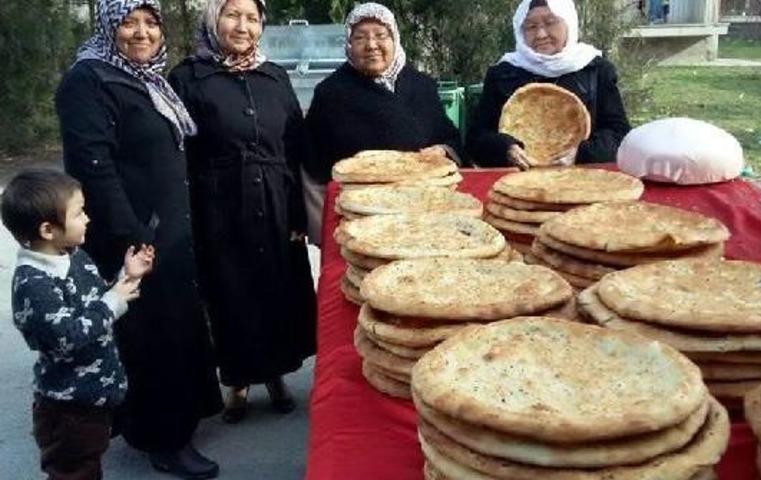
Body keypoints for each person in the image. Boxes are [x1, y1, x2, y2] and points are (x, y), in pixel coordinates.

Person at [54, 1, 223, 478]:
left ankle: (175, 419)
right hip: (134, 238)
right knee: (153, 336)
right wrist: (134, 235)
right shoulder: (89, 79)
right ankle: (163, 439)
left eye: (151, 22)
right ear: (108, 26)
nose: (142, 32)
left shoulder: (146, 78)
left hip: (166, 229)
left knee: (176, 328)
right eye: (129, 21)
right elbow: (94, 166)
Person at [168, 0, 316, 424]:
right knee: (230, 293)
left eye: (252, 18)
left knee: (275, 290)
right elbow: (179, 152)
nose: (242, 25)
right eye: (232, 14)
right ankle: (236, 382)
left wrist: (297, 215)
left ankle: (275, 375)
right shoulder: (188, 77)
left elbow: (293, 147)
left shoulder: (274, 76)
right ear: (214, 20)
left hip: (274, 199)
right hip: (219, 204)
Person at [2, 169, 154, 480]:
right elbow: (67, 336)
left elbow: (94, 303)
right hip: (68, 408)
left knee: (89, 463)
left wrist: (126, 279)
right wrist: (112, 300)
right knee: (74, 471)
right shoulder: (34, 284)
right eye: (79, 212)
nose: (87, 218)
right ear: (48, 229)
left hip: (94, 397)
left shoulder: (74, 255)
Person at [303, 2, 464, 243]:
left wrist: (443, 150)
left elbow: (449, 138)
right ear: (349, 44)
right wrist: (323, 233)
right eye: (360, 38)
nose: (371, 45)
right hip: (357, 223)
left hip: (423, 215)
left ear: (395, 39)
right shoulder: (330, 94)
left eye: (381, 35)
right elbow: (312, 169)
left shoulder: (421, 86)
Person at [466, 0, 631, 169]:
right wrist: (505, 148)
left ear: (568, 22)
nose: (540, 34)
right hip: (520, 182)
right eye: (531, 26)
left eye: (550, 23)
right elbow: (476, 138)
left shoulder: (595, 70)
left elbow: (619, 134)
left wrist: (581, 154)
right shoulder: (503, 73)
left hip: (582, 182)